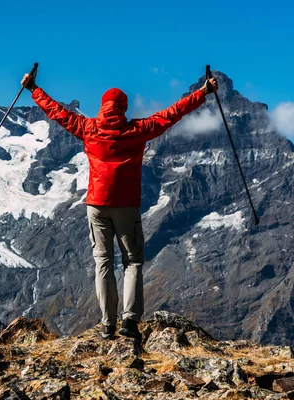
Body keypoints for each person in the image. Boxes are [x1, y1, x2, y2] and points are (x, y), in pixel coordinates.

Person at [21, 70, 218, 339]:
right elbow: (173, 113)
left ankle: (107, 324)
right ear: (123, 108)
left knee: (102, 261)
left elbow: (57, 112)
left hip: (96, 205)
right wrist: (203, 92)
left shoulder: (88, 128)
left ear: (102, 107)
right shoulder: (137, 130)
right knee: (133, 262)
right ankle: (130, 322)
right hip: (126, 206)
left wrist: (34, 89)